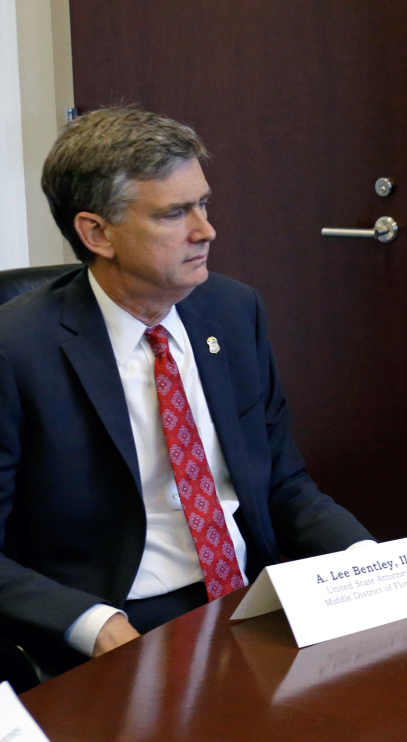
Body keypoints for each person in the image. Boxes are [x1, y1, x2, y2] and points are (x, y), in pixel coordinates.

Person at [0, 108, 375, 671]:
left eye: (202, 203)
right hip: (115, 619)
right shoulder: (17, 349)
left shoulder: (232, 310)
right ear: (96, 232)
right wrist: (93, 625)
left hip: (247, 601)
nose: (205, 230)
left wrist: (366, 564)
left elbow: (282, 483)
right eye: (175, 213)